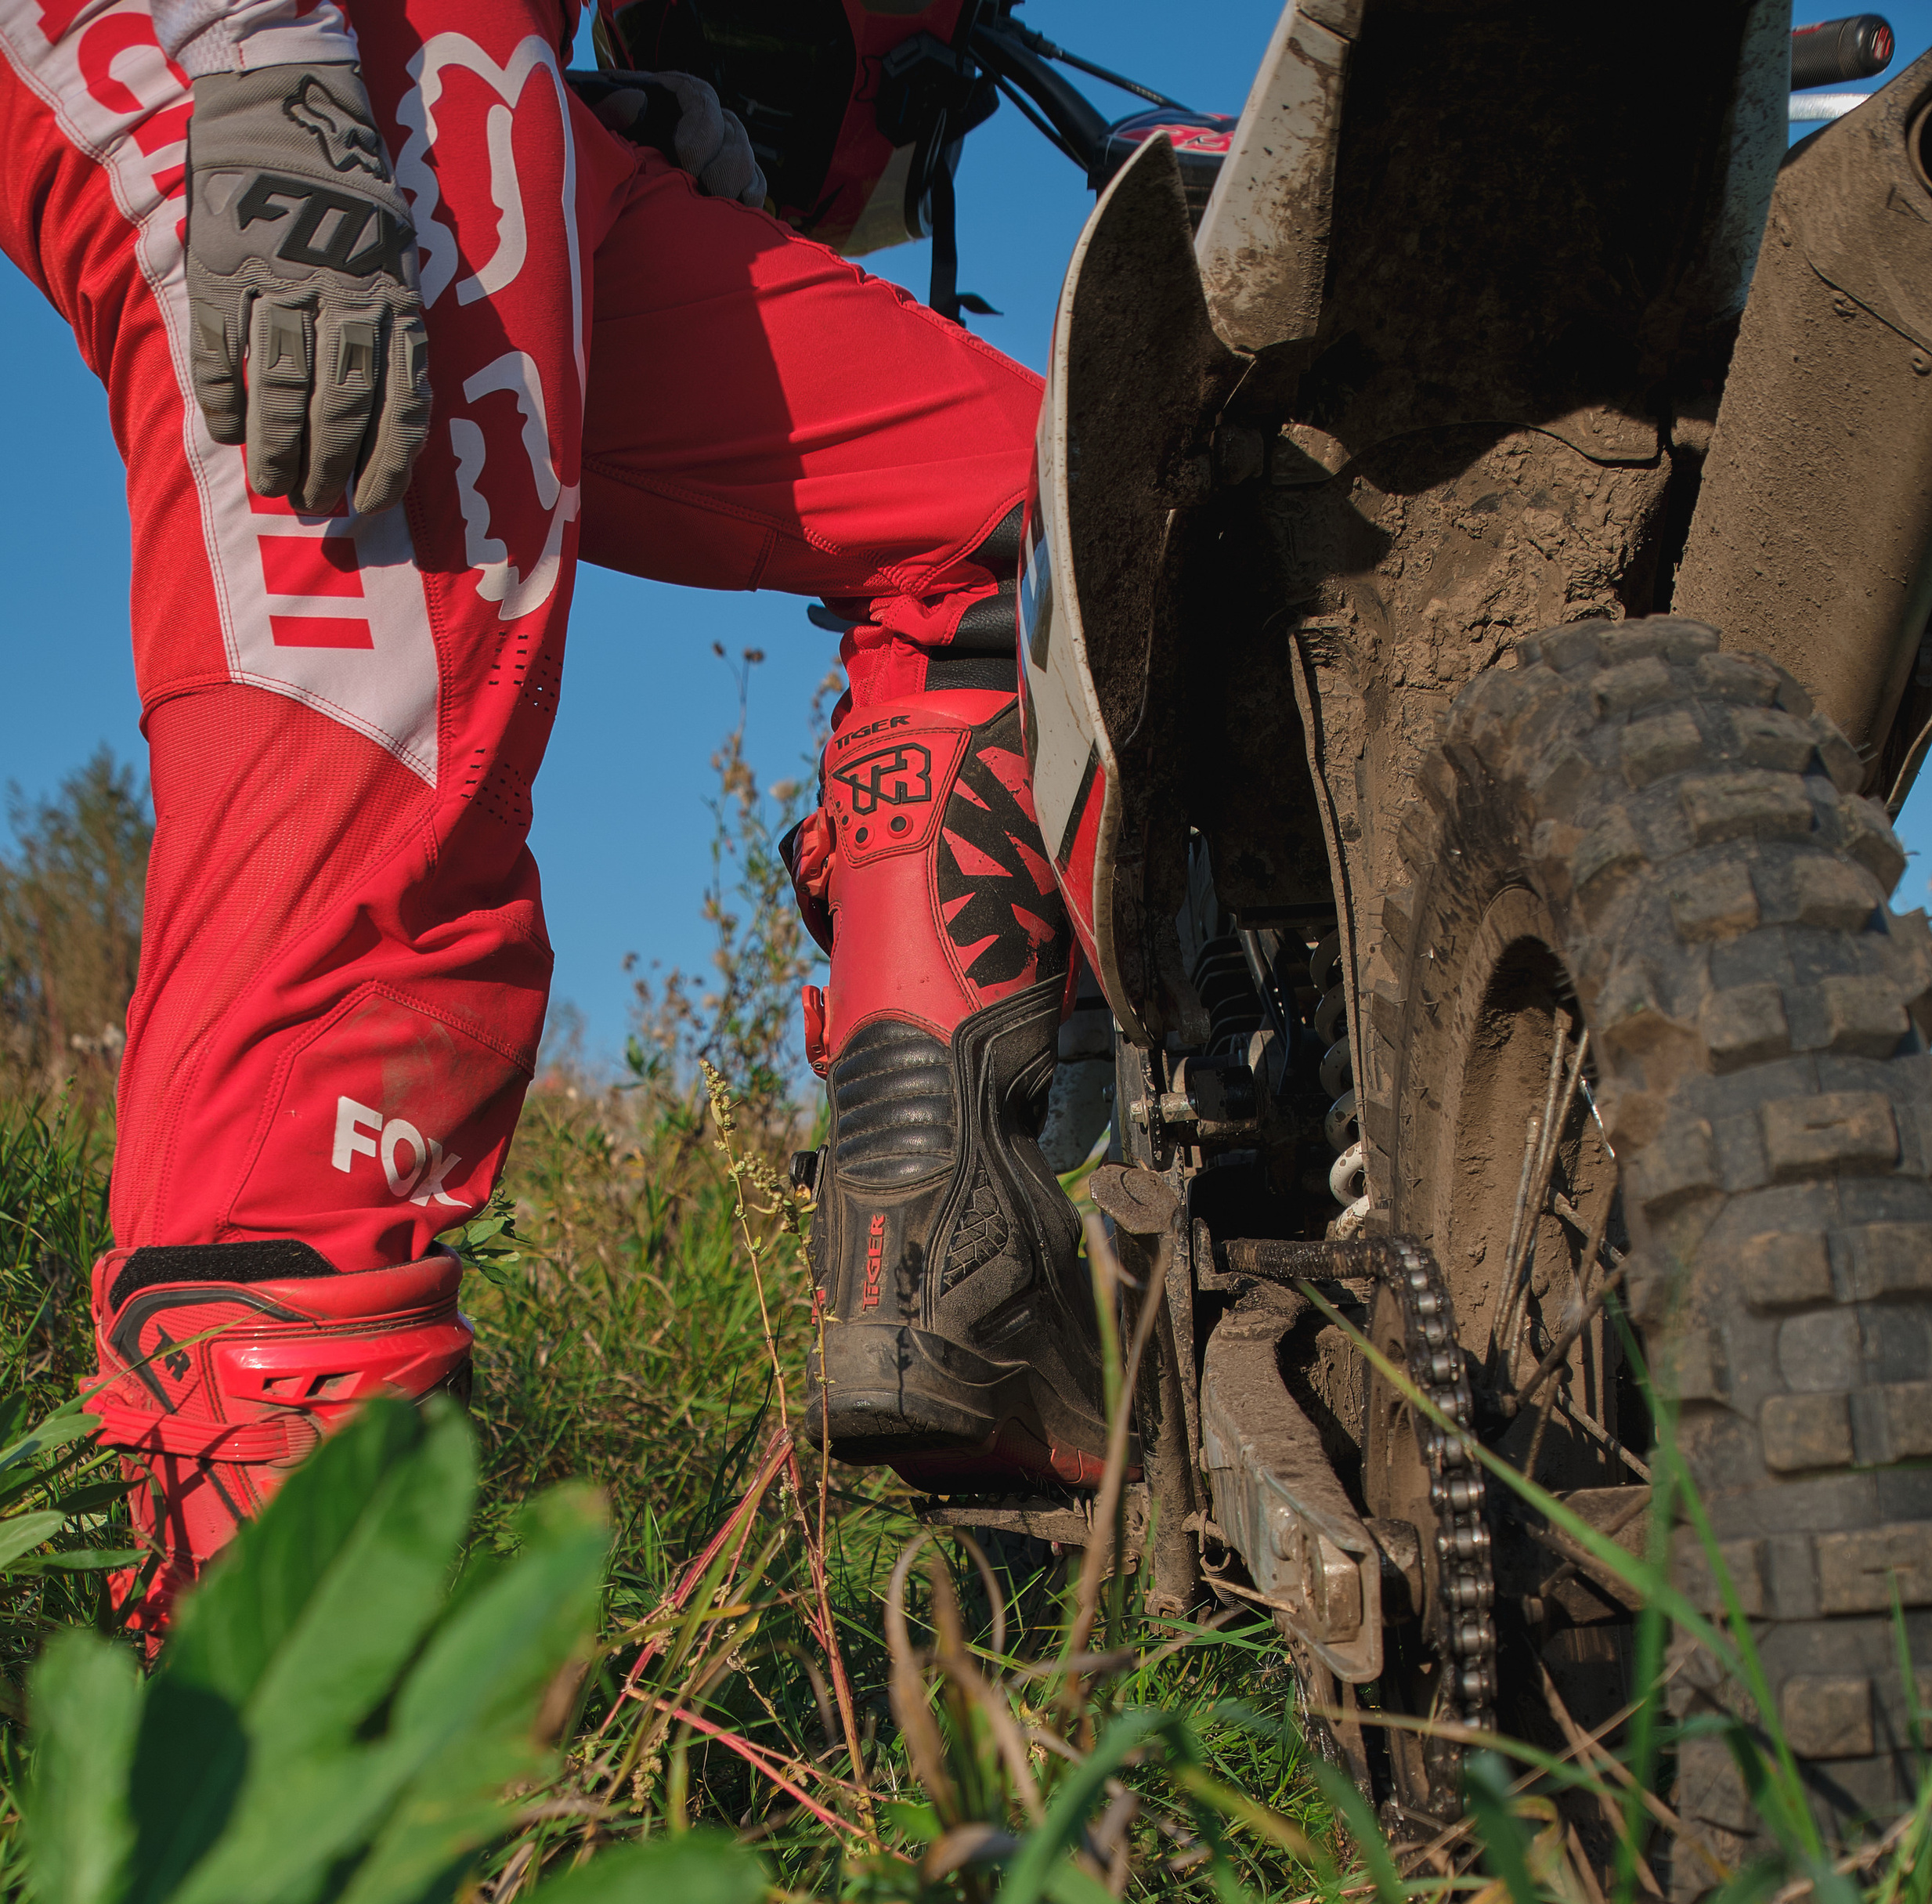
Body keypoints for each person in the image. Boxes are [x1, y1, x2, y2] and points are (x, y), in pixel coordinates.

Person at [0, 0, 1107, 1645]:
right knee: (378, 786)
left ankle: (955, 1275)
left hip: (487, 83)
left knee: (1033, 509)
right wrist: (253, 47)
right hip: (293, 49)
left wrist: (605, 98)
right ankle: (240, 1737)